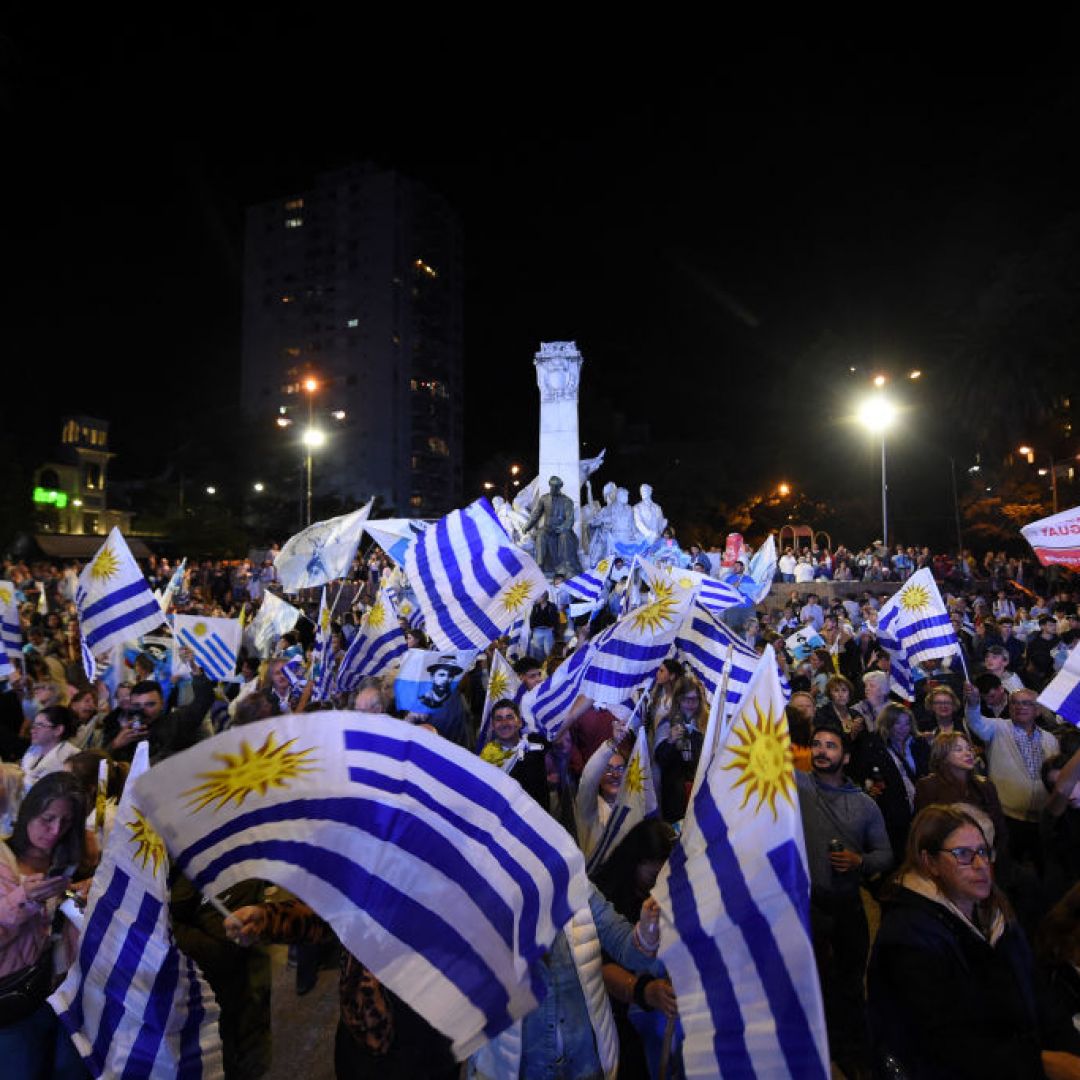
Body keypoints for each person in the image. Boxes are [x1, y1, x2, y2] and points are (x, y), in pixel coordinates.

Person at [868, 803, 1080, 1078]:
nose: (981, 866)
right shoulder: (907, 937)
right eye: (963, 854)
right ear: (929, 862)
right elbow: (948, 1042)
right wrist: (1043, 1064)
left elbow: (1036, 991)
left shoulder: (995, 913)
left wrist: (1070, 1049)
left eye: (983, 851)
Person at [796, 724, 892, 1077]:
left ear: (846, 756)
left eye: (831, 746)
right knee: (812, 982)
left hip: (848, 906)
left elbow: (885, 854)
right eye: (817, 745)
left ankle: (851, 1054)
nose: (822, 751)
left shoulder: (864, 805)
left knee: (850, 984)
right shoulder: (797, 785)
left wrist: (859, 861)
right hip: (807, 905)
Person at [0, 772, 87, 1078]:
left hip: (62, 992)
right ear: (29, 811)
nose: (55, 831)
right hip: (13, 997)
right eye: (47, 818)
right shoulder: (4, 859)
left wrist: (84, 896)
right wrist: (24, 899)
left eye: (66, 822)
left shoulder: (68, 860)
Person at [965, 686, 1059, 874]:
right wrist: (974, 702)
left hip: (1041, 820)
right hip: (1007, 818)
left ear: (1037, 710)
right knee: (1007, 871)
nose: (1019, 707)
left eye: (1026, 703)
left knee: (1044, 871)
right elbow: (975, 721)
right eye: (1015, 703)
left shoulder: (1050, 739)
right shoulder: (997, 727)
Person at [849, 703, 930, 865]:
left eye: (907, 723)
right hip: (893, 816)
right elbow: (862, 773)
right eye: (897, 723)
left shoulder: (918, 744)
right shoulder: (874, 746)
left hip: (921, 811)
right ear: (887, 724)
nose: (903, 728)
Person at [915, 732, 1008, 855]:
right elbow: (925, 832)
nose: (968, 753)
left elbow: (1000, 828)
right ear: (942, 756)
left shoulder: (985, 786)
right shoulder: (927, 786)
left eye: (969, 749)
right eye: (958, 750)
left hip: (985, 853)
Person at [106, 672, 215, 764]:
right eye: (137, 706)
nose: (142, 711)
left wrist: (196, 672)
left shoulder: (177, 722)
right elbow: (99, 765)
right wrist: (115, 745)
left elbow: (203, 700)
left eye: (150, 704)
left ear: (162, 704)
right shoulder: (119, 731)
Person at [478, 699, 548, 809]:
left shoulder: (535, 742)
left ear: (519, 722)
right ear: (492, 725)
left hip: (541, 818)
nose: (504, 723)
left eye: (509, 717)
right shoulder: (486, 761)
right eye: (499, 719)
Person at [654, 679, 706, 823]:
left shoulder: (700, 725)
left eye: (695, 699)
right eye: (686, 699)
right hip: (673, 794)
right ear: (678, 700)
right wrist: (670, 741)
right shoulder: (667, 724)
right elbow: (659, 761)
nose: (691, 704)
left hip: (693, 792)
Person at [523, 476, 582, 576]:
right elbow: (536, 514)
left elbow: (570, 519)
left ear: (560, 487)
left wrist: (563, 527)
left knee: (564, 536)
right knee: (541, 534)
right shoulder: (544, 498)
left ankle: (566, 566)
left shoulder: (567, 501)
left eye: (555, 487)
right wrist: (527, 526)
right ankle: (540, 564)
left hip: (561, 529)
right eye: (551, 486)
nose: (553, 489)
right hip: (548, 529)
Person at [19, 707, 79, 795]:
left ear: (58, 730)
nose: (32, 730)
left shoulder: (72, 756)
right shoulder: (34, 748)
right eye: (33, 725)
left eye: (40, 725)